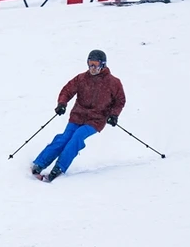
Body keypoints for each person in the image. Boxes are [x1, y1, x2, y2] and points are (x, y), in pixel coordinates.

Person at [31, 49, 126, 182]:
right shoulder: (82, 78)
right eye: (90, 64)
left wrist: (114, 115)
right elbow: (67, 90)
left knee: (77, 137)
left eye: (96, 64)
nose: (92, 68)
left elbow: (120, 100)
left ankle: (59, 167)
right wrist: (62, 104)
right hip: (77, 115)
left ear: (103, 65)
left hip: (96, 120)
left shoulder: (113, 82)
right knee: (64, 138)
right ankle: (40, 163)